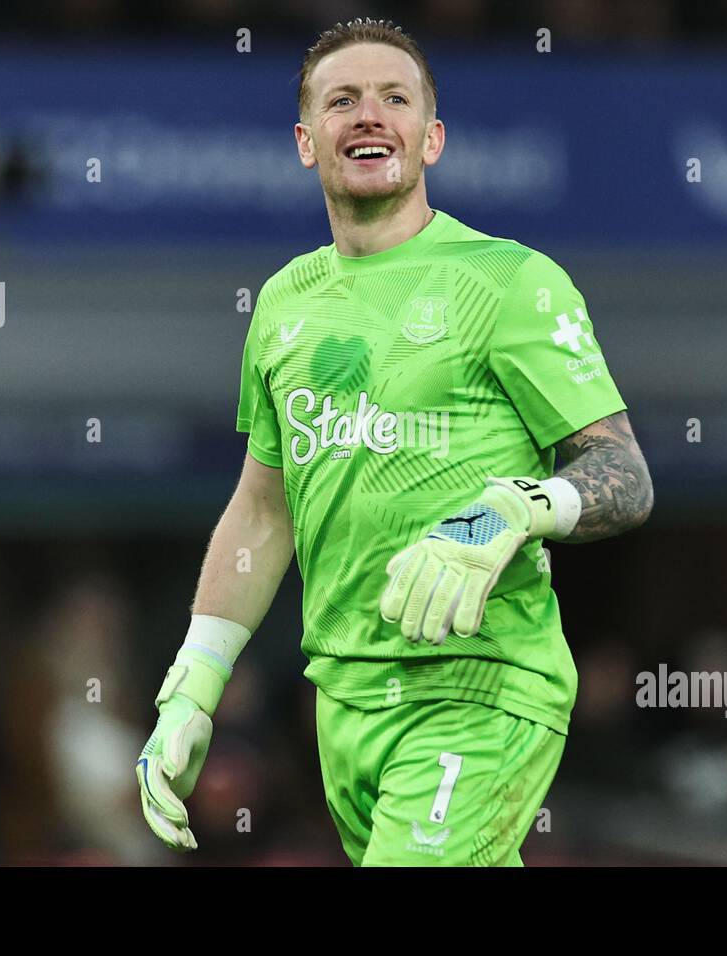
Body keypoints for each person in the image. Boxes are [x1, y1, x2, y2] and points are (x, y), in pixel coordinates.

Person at [136, 17, 653, 866]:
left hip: (483, 686)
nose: (369, 115)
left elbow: (623, 474)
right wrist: (195, 683)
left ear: (432, 138)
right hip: (344, 704)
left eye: (394, 99)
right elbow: (263, 513)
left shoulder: (511, 281)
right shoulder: (283, 304)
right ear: (308, 143)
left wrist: (514, 512)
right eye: (343, 101)